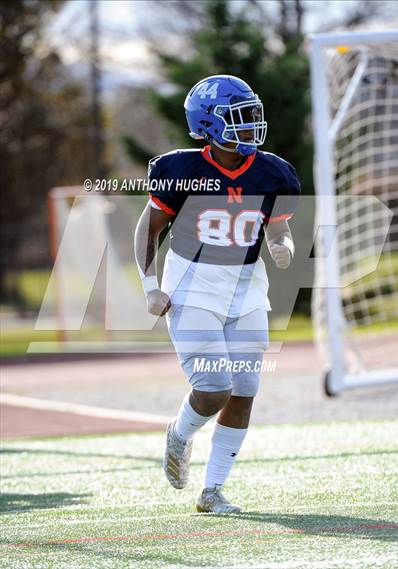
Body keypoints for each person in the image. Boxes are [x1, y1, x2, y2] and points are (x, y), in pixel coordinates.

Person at [135, 75, 300, 513]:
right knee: (213, 387)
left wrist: (283, 246)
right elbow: (147, 230)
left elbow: (277, 226)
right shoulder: (182, 170)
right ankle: (181, 432)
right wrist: (151, 287)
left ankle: (212, 491)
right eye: (239, 119)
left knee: (245, 386)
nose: (250, 127)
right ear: (208, 124)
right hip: (193, 285)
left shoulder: (273, 171)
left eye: (252, 117)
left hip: (246, 288)